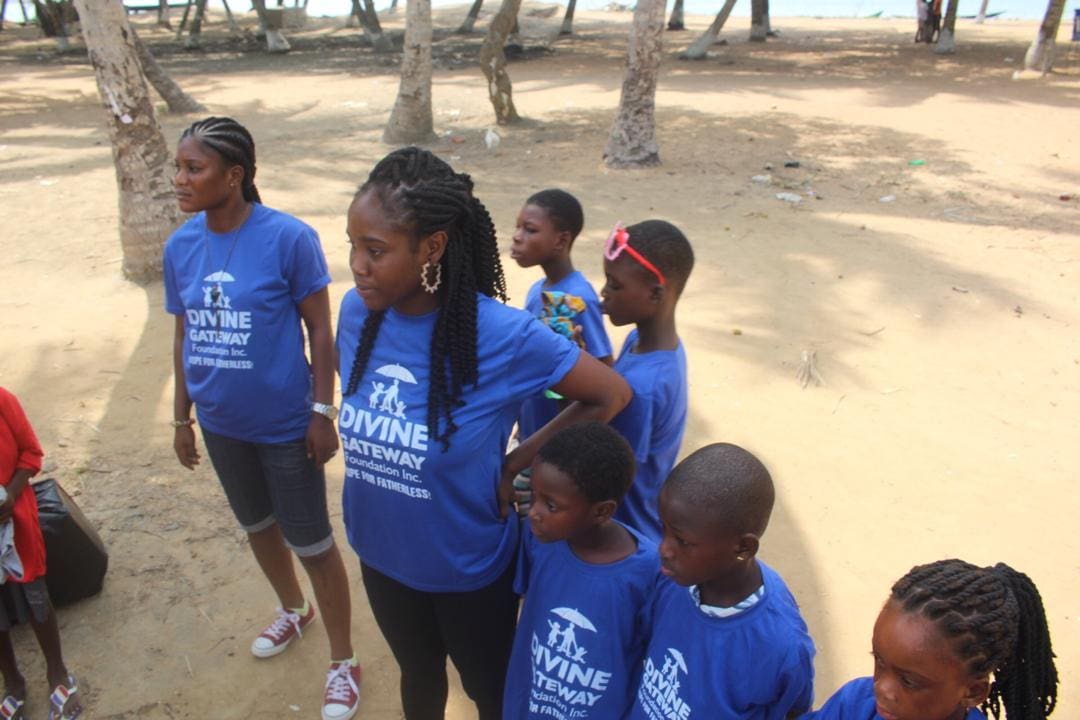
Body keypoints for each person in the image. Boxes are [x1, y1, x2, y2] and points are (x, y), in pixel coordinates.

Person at [337, 147, 632, 720]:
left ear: (432, 247)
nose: (357, 265)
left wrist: (517, 461)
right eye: (352, 244)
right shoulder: (358, 313)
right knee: (417, 676)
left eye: (375, 250)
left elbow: (610, 393)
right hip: (380, 553)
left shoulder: (500, 335)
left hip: (465, 567)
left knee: (488, 690)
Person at [164, 117, 359, 720]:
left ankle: (343, 662)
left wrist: (322, 410)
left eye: (193, 168)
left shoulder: (287, 238)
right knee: (256, 526)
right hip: (222, 423)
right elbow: (184, 331)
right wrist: (181, 417)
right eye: (179, 166)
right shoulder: (180, 245)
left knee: (313, 540)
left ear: (235, 175)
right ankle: (292, 610)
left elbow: (320, 329)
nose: (180, 179)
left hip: (284, 421)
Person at [628, 443, 815, 720]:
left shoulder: (779, 646)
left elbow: (793, 711)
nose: (664, 549)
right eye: (663, 528)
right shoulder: (673, 579)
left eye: (682, 541)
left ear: (743, 548)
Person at [503, 422, 658, 719]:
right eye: (534, 496)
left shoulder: (648, 574)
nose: (534, 512)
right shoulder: (540, 539)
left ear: (602, 511)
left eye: (551, 505)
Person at [801, 559, 1058, 720]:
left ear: (973, 691)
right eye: (879, 660)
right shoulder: (857, 703)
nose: (882, 688)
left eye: (910, 681)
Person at [600, 219, 694, 541]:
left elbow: (607, 470)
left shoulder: (644, 387)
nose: (603, 293)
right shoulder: (648, 345)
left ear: (655, 294)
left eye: (614, 285)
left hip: (624, 536)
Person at [0, 388, 80, 720]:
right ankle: (13, 683)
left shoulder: (3, 401)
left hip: (13, 514)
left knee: (34, 594)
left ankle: (57, 673)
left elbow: (31, 453)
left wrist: (10, 495)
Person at [511, 189, 613, 441]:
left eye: (530, 230)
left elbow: (604, 367)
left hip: (556, 438)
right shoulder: (538, 290)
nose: (516, 237)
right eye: (518, 227)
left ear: (561, 240)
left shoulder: (578, 298)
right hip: (531, 429)